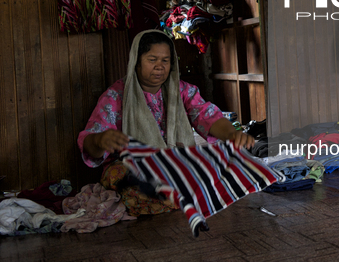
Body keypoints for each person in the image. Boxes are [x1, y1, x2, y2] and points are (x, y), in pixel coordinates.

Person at [77, 29, 254, 215]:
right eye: (152, 60)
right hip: (133, 166)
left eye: (165, 60)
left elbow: (207, 115)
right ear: (136, 61)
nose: (160, 66)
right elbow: (90, 141)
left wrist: (232, 134)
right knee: (132, 184)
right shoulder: (116, 96)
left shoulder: (183, 90)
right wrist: (99, 140)